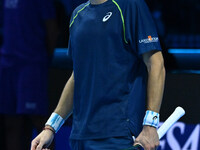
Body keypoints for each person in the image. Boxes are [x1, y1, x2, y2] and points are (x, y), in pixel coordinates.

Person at [31, 0, 166, 149]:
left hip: (118, 135)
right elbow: (78, 77)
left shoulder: (131, 6)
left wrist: (150, 124)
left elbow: (156, 64)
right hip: (79, 136)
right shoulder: (77, 15)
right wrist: (50, 127)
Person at [0, 0, 58, 150]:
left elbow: (51, 29)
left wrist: (43, 60)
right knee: (11, 123)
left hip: (31, 65)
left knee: (41, 123)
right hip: (7, 64)